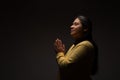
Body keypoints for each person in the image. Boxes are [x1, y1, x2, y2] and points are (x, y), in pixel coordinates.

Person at [54, 15, 98, 80]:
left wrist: (60, 53)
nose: (71, 26)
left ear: (85, 28)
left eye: (76, 24)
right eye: (72, 24)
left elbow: (65, 65)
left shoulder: (85, 45)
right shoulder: (77, 45)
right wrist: (62, 54)